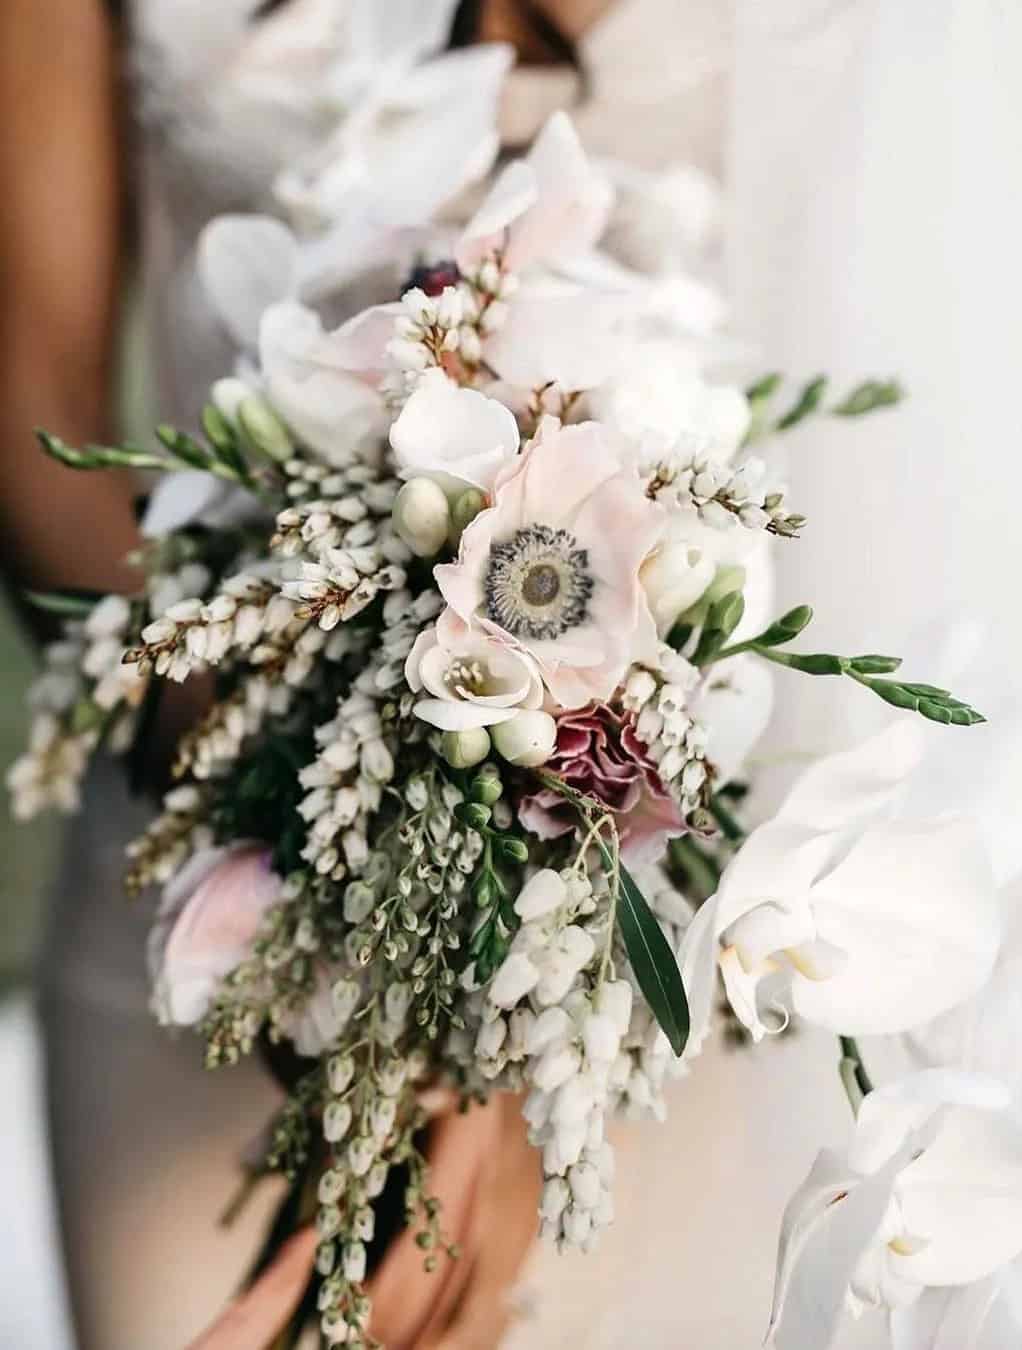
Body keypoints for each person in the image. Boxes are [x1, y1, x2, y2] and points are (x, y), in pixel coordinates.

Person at [0, 2, 740, 1346]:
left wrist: (519, 1003)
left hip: (696, 963)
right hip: (211, 903)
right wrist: (345, 911)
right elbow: (32, 411)